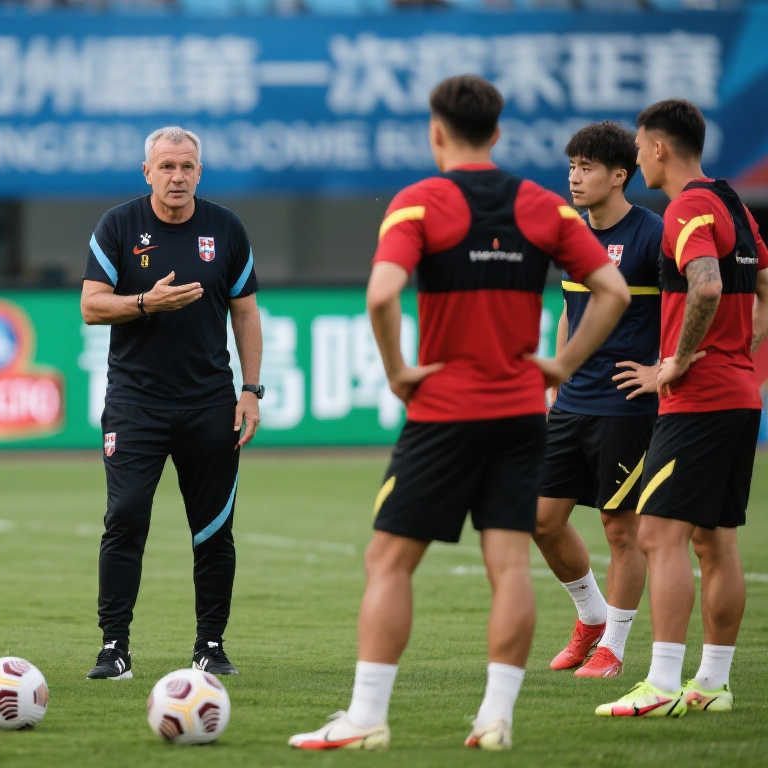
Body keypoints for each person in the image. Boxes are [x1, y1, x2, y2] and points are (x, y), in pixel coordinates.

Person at [288, 75, 629, 753]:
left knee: (389, 561)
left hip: (443, 412)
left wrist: (397, 371)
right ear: (497, 133)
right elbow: (613, 291)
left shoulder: (419, 203)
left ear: (436, 132)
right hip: (520, 413)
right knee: (509, 566)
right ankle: (495, 717)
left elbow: (381, 294)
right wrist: (561, 365)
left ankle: (366, 717)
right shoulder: (544, 206)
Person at [598, 100, 768, 718]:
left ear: (659, 148)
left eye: (639, 146)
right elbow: (763, 283)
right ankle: (713, 683)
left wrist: (677, 360)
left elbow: (706, 285)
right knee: (714, 542)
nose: (637, 157)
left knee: (657, 533)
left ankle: (663, 683)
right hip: (739, 395)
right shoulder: (733, 204)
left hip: (698, 401)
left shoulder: (687, 208)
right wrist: (743, 346)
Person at [80, 126, 263, 679]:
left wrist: (250, 391)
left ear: (199, 173)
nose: (177, 177)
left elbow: (246, 312)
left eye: (186, 167)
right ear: (147, 172)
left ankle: (211, 645)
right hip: (136, 404)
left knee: (213, 529)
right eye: (166, 166)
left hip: (209, 404)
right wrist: (146, 302)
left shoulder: (226, 229)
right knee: (125, 518)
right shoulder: (118, 225)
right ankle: (114, 648)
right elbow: (91, 306)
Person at [535, 121, 663, 679]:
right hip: (572, 402)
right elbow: (571, 310)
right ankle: (592, 617)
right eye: (571, 167)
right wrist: (556, 379)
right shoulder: (571, 233)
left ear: (619, 175)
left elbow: (687, 306)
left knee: (620, 528)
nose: (574, 177)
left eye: (586, 168)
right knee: (541, 519)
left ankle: (612, 647)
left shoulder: (653, 235)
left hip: (627, 404)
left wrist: (664, 369)